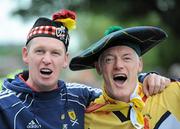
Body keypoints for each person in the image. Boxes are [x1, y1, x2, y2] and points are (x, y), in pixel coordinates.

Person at [0, 9, 170, 129]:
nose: (47, 60)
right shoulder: (4, 104)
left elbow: (118, 90)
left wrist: (146, 77)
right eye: (39, 51)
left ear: (65, 59)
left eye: (55, 53)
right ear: (25, 54)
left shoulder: (80, 95)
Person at [69, 26, 180, 129]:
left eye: (126, 58)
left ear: (140, 64)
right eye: (109, 60)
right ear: (99, 68)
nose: (118, 65)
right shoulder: (87, 120)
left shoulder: (173, 92)